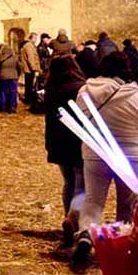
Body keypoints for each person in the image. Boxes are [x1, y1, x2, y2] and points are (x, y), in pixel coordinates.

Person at [71, 52, 138, 273]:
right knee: (126, 204)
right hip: (129, 154)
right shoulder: (137, 96)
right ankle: (122, 246)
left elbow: (81, 120)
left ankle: (86, 237)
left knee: (93, 200)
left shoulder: (85, 91)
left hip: (94, 152)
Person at [44, 55, 87, 247]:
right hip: (79, 140)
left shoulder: (52, 89)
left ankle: (67, 216)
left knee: (68, 182)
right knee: (81, 185)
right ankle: (73, 219)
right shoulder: (81, 88)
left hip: (58, 141)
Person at [0, 43, 19, 114]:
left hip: (3, 77)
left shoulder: (0, 58)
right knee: (13, 92)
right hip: (13, 77)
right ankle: (12, 106)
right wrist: (17, 74)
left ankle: (3, 106)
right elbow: (19, 68)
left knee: (3, 92)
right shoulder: (15, 58)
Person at [20, 33, 41, 105]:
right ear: (31, 38)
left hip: (29, 69)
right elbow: (31, 58)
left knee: (29, 85)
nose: (36, 40)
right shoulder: (29, 46)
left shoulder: (30, 45)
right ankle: (28, 100)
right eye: (35, 38)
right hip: (29, 69)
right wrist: (35, 69)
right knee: (29, 85)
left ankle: (28, 98)